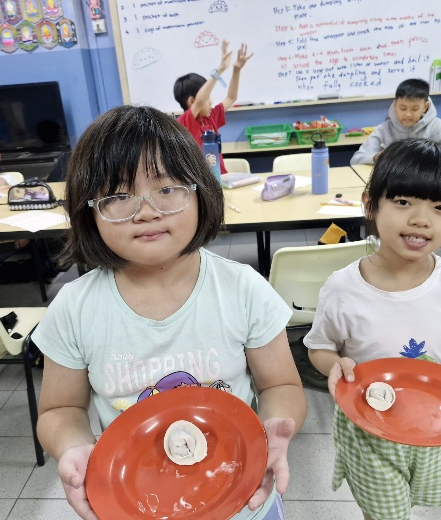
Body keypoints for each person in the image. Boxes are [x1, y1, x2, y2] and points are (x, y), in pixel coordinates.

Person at [32, 105, 307, 520]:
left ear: (200, 191)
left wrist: (274, 429)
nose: (146, 210)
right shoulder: (74, 308)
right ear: (89, 210)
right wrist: (72, 446)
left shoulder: (243, 288)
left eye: (167, 188)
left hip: (242, 493)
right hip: (137, 501)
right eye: (119, 195)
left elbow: (280, 386)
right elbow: (60, 410)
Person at [305, 138, 441, 520]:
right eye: (402, 202)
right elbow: (319, 347)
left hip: (435, 421)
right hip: (368, 427)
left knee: (426, 494)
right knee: (383, 513)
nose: (421, 219)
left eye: (440, 207)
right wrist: (333, 366)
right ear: (370, 204)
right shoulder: (343, 287)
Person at [174, 40, 253, 174]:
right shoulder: (184, 123)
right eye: (208, 97)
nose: (211, 102)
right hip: (202, 185)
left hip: (221, 180)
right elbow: (200, 101)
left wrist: (236, 70)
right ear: (191, 101)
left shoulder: (211, 117)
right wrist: (220, 69)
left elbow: (231, 97)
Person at [350, 78, 441, 166]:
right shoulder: (384, 129)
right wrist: (376, 158)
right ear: (395, 105)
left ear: (425, 107)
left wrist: (431, 158)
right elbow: (356, 159)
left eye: (415, 109)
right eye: (403, 108)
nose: (408, 114)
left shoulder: (435, 126)